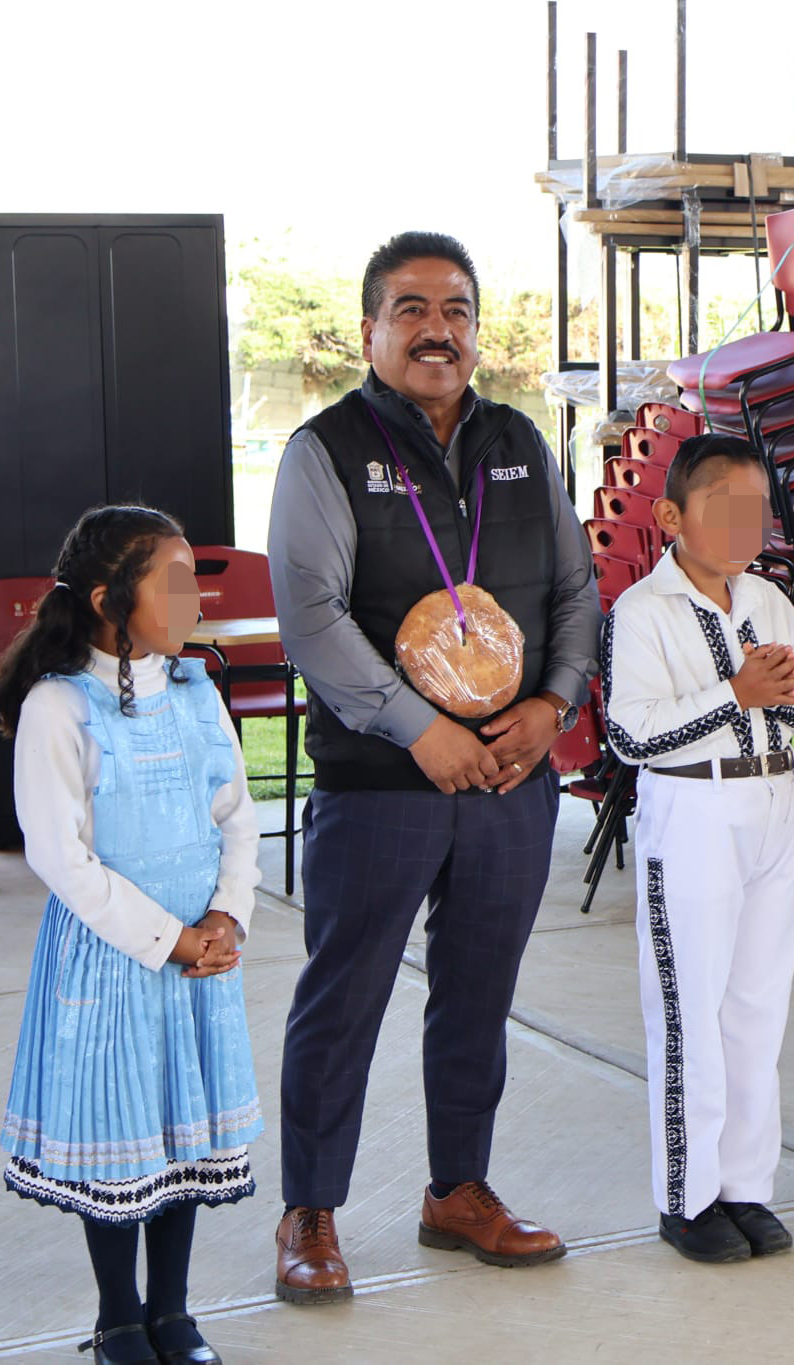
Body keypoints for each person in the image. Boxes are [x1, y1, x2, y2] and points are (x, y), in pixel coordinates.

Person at [267, 231, 601, 1302]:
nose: (435, 330)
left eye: (455, 309)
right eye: (410, 309)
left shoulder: (519, 440)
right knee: (345, 999)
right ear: (369, 328)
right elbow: (311, 616)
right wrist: (419, 728)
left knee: (478, 995)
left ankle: (458, 1191)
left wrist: (551, 705)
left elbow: (574, 588)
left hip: (508, 780)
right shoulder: (325, 450)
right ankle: (310, 1210)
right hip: (383, 783)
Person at [0, 505, 263, 1365]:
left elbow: (237, 813)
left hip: (198, 958)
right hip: (113, 959)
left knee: (182, 1130)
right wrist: (169, 938)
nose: (194, 601)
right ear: (109, 601)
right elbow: (60, 857)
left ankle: (172, 1311)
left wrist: (227, 914)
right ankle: (118, 1317)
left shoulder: (195, 690)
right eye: (172, 585)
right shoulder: (59, 706)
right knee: (122, 1135)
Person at [602, 434, 794, 1263]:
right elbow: (631, 732)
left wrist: (773, 693)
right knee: (688, 1009)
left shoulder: (767, 598)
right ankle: (687, 1195)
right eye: (723, 508)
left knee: (755, 1008)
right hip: (694, 807)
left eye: (756, 510)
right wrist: (737, 692)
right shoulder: (643, 611)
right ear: (671, 516)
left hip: (773, 798)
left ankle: (744, 1185)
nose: (746, 527)